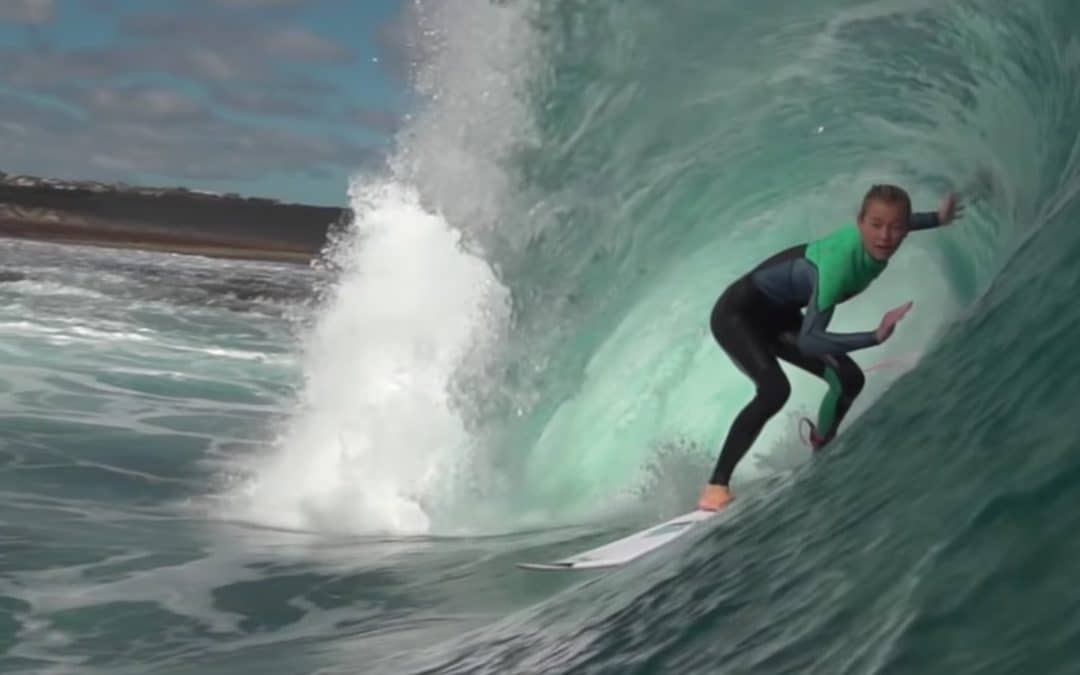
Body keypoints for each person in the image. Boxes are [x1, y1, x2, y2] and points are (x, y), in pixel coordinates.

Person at [698, 184, 964, 511]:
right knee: (774, 391)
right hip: (738, 315)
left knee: (849, 380)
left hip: (779, 316)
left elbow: (901, 222)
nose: (885, 236)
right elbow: (810, 341)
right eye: (876, 225)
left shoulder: (890, 231)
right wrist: (874, 337)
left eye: (896, 227)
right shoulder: (838, 268)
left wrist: (939, 217)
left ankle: (821, 453)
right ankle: (716, 487)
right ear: (860, 222)